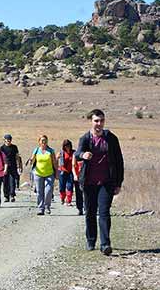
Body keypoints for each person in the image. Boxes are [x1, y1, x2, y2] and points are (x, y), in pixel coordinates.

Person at [75, 109, 124, 256]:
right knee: (90, 212)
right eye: (96, 120)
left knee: (104, 212)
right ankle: (91, 240)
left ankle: (105, 244)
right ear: (91, 121)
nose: (99, 123)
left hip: (106, 182)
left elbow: (119, 161)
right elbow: (77, 154)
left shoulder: (111, 139)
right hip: (89, 182)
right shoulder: (85, 138)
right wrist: (83, 154)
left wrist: (118, 183)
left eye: (101, 120)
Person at [28, 135, 58, 215]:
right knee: (39, 192)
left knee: (48, 191)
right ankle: (41, 208)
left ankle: (47, 206)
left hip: (49, 173)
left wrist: (57, 172)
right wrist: (30, 160)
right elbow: (33, 159)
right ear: (39, 142)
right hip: (38, 173)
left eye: (45, 140)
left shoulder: (51, 151)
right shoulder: (36, 150)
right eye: (42, 140)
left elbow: (54, 162)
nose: (44, 142)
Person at [0, 134, 21, 202]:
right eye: (7, 140)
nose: (8, 141)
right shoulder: (2, 148)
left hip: (13, 166)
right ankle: (6, 196)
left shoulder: (14, 147)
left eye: (9, 140)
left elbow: (17, 157)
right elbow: (0, 158)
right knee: (5, 182)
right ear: (4, 140)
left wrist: (18, 166)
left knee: (12, 181)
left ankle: (12, 195)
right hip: (4, 167)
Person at [56, 139, 77, 206]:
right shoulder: (61, 153)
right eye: (65, 146)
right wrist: (57, 158)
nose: (67, 147)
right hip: (62, 171)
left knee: (70, 186)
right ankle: (62, 198)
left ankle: (68, 200)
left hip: (71, 172)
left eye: (68, 145)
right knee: (62, 187)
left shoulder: (74, 152)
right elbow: (56, 161)